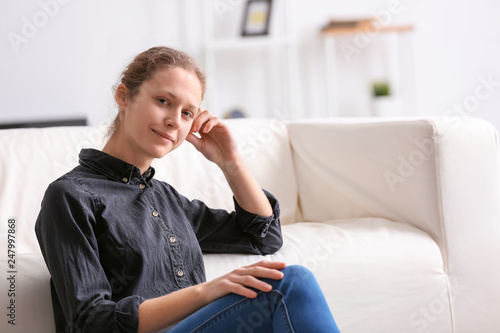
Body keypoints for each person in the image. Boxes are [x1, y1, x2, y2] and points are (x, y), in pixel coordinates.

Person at [35, 46, 340, 333]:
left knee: (290, 282)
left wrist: (229, 160)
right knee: (290, 284)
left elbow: (263, 237)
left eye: (187, 113)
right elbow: (92, 321)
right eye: (164, 101)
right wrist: (207, 291)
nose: (173, 121)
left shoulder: (166, 199)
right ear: (123, 96)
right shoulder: (70, 196)